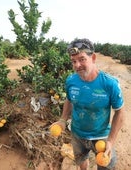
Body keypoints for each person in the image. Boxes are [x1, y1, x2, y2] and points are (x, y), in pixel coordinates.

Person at [52, 38, 125, 170]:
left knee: (107, 165)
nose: (77, 65)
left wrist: (111, 141)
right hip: (77, 134)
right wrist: (63, 119)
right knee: (81, 160)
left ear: (93, 58)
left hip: (101, 136)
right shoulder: (71, 81)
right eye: (73, 61)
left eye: (82, 59)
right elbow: (69, 99)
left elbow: (120, 111)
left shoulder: (109, 83)